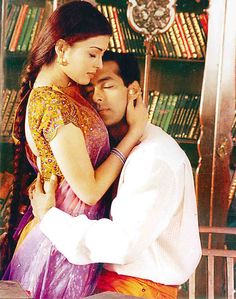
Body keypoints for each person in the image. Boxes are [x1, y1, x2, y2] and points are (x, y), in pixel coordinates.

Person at [3, 2, 147, 299]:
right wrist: (133, 135)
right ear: (61, 49)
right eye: (92, 53)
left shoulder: (65, 93)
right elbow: (89, 191)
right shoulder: (54, 106)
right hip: (58, 250)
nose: (98, 64)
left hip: (71, 238)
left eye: (102, 54)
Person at [31, 51, 202, 299]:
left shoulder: (154, 157)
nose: (97, 97)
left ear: (133, 91)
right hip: (107, 284)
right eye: (89, 92)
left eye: (107, 86)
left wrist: (49, 217)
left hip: (137, 290)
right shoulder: (112, 150)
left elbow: (123, 244)